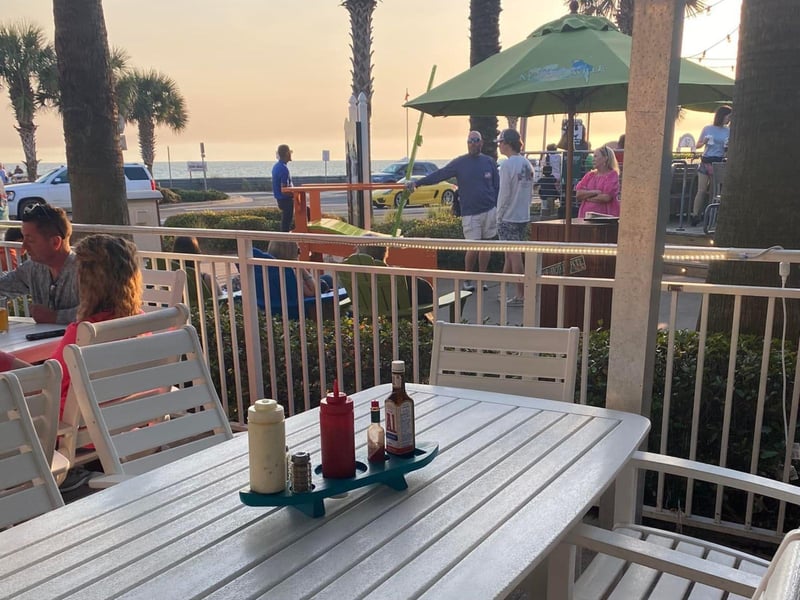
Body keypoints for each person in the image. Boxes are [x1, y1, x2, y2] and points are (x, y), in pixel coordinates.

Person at [0, 234, 142, 418]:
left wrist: (6, 361)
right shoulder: (140, 324)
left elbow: (48, 382)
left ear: (88, 281)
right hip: (122, 420)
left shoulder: (85, 332)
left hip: (64, 429)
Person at [406, 131, 499, 292]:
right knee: (473, 246)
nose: (473, 143)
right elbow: (440, 175)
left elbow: (497, 186)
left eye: (476, 140)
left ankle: (482, 278)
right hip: (470, 212)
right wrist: (418, 183)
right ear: (467, 143)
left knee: (487, 245)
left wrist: (497, 206)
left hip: (489, 210)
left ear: (481, 143)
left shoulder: (489, 162)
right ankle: (468, 279)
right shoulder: (460, 163)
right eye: (470, 141)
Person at [0, 204, 79, 323]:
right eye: (23, 239)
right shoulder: (33, 267)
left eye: (30, 240)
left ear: (55, 242)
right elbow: (4, 285)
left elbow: (105, 313)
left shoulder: (86, 271)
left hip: (84, 341)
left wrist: (55, 317)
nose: (24, 246)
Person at [495, 129, 533, 306]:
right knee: (510, 255)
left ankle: (521, 294)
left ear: (507, 143)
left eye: (500, 142)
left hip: (508, 216)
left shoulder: (507, 165)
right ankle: (503, 291)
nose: (499, 145)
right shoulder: (527, 164)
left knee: (514, 255)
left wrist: (499, 215)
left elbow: (504, 194)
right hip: (522, 215)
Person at [691, 105, 732, 226]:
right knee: (701, 190)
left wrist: (727, 147)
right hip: (706, 160)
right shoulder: (707, 128)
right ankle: (695, 215)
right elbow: (697, 145)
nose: (729, 120)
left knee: (714, 191)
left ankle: (710, 216)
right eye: (728, 117)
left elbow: (727, 149)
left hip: (718, 161)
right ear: (722, 116)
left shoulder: (728, 131)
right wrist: (704, 142)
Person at [267, 240, 333, 296]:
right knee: (328, 280)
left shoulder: (268, 268)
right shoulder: (290, 272)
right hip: (301, 303)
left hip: (277, 300)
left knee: (326, 278)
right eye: (298, 250)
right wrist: (300, 267)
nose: (300, 252)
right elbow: (312, 292)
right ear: (291, 253)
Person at [575, 145, 621, 218]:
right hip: (585, 217)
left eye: (596, 156)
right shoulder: (589, 175)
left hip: (605, 217)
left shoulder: (612, 175)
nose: (593, 159)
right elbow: (579, 194)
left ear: (605, 158)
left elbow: (606, 197)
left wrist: (587, 198)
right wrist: (595, 192)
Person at [171, 235, 219, 303]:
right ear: (197, 254)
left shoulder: (171, 280)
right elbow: (222, 297)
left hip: (180, 312)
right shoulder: (207, 279)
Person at [272, 144, 295, 232]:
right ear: (287, 154)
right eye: (290, 153)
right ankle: (285, 241)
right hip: (286, 200)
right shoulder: (283, 169)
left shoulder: (277, 166)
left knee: (285, 223)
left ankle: (286, 239)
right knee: (286, 224)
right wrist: (294, 194)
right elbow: (284, 189)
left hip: (281, 200)